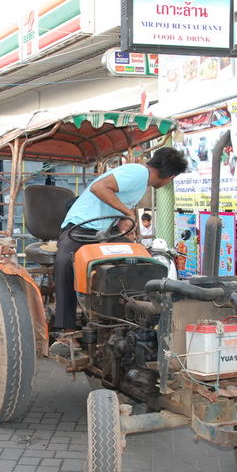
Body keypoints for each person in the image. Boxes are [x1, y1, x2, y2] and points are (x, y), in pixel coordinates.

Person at [51, 147, 188, 357]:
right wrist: (127, 212)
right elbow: (99, 188)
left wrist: (125, 222)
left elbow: (115, 204)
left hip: (105, 230)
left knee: (138, 261)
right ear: (170, 176)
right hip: (80, 227)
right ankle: (66, 331)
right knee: (66, 263)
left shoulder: (142, 183)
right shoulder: (137, 173)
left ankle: (129, 319)